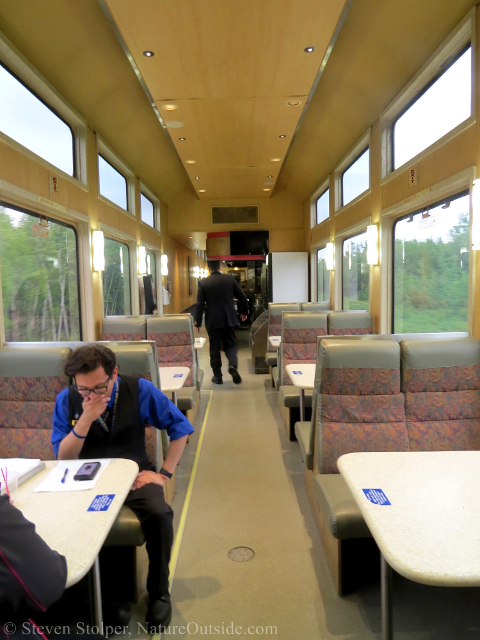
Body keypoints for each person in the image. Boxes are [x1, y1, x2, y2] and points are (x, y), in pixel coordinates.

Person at [51, 344, 194, 633]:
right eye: (83, 389)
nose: (91, 396)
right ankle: (92, 598)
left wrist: (163, 474)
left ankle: (159, 592)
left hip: (134, 477)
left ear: (114, 373)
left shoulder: (139, 390)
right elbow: (63, 458)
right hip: (87, 481)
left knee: (159, 514)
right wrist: (85, 420)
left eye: (99, 388)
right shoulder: (66, 400)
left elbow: (180, 427)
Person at [194, 259, 249, 385]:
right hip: (229, 317)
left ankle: (218, 377)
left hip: (212, 320)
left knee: (214, 348)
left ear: (208, 268)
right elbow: (242, 297)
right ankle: (233, 366)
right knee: (230, 345)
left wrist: (197, 322)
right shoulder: (229, 279)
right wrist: (244, 312)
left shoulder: (203, 283)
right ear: (219, 266)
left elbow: (200, 304)